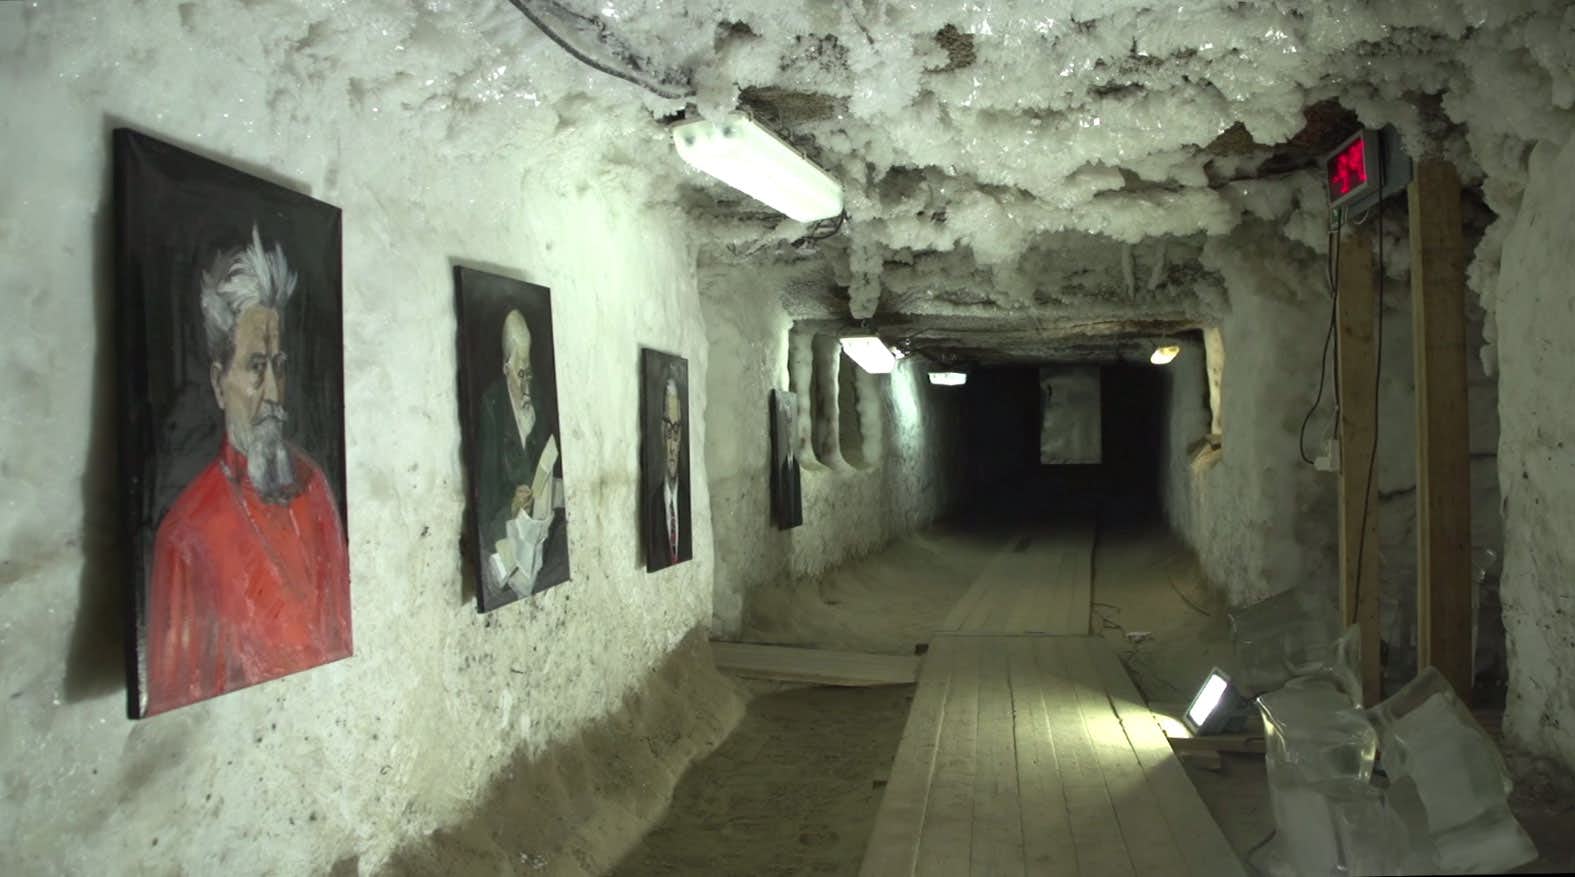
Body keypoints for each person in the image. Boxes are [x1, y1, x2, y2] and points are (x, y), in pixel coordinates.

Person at [146, 227, 350, 715]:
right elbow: (180, 715)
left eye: (279, 365)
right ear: (220, 384)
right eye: (257, 367)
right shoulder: (185, 536)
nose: (275, 392)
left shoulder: (314, 487)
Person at [476, 309, 567, 604]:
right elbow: (487, 494)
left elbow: (549, 458)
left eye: (529, 371)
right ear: (506, 368)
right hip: (508, 529)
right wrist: (511, 504)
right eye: (520, 373)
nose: (527, 383)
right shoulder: (492, 407)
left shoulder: (537, 396)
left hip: (540, 523)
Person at [647, 374, 691, 568]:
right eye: (668, 431)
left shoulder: (688, 502)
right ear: (660, 431)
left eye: (677, 430)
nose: (673, 445)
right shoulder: (652, 507)